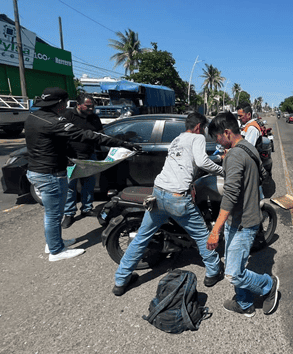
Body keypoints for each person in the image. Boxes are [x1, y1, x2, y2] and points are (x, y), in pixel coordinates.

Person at [112, 112, 225, 296]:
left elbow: (189, 161)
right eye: (203, 128)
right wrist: (223, 171)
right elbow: (202, 161)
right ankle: (213, 272)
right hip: (178, 198)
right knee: (203, 235)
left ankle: (120, 280)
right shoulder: (197, 138)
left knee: (142, 237)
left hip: (158, 193)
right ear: (198, 127)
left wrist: (217, 158)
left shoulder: (177, 139)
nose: (203, 131)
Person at [25, 87, 138, 262]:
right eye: (64, 102)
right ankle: (56, 251)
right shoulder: (54, 122)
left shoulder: (34, 117)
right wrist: (122, 144)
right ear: (60, 103)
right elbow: (88, 135)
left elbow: (49, 145)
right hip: (50, 174)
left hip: (38, 170)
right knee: (54, 214)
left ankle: (53, 242)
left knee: (51, 213)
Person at [207, 112, 279, 317]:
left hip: (243, 223)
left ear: (227, 133)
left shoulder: (235, 155)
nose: (217, 143)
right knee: (235, 263)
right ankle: (244, 302)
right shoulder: (248, 146)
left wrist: (215, 230)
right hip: (242, 218)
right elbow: (259, 177)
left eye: (217, 138)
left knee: (233, 274)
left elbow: (230, 195)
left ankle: (268, 285)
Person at [61, 93, 103, 229]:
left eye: (93, 106)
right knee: (70, 187)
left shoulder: (94, 118)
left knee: (88, 184)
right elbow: (59, 135)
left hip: (89, 156)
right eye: (88, 106)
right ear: (78, 105)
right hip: (71, 158)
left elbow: (100, 135)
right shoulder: (68, 116)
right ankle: (69, 213)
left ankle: (87, 208)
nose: (91, 109)